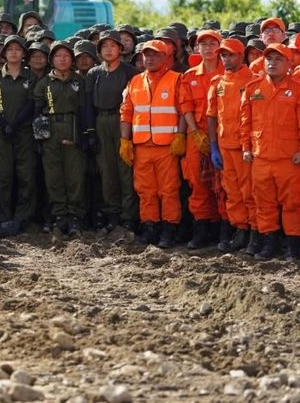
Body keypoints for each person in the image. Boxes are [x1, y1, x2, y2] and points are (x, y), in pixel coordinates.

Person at [119, 40, 187, 248]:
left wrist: (180, 136)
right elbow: (126, 112)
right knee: (145, 190)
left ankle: (169, 229)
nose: (149, 59)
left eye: (155, 55)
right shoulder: (135, 81)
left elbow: (184, 110)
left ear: (166, 58)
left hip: (167, 147)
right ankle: (150, 228)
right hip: (141, 146)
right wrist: (125, 140)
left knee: (168, 190)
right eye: (146, 55)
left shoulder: (177, 79)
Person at [239, 43, 300, 261]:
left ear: (288, 63)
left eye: (278, 59)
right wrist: (246, 148)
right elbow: (245, 122)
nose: (272, 63)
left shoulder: (297, 87)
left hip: (289, 159)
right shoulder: (253, 88)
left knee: (293, 204)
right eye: (269, 59)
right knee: (264, 204)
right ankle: (268, 245)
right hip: (260, 157)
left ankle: (294, 248)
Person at [85, 30, 140, 231]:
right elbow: (88, 104)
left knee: (125, 169)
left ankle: (129, 216)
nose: (109, 50)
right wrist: (90, 132)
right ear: (99, 50)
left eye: (113, 46)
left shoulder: (130, 72)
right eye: (104, 46)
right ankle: (113, 214)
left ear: (120, 49)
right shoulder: (94, 73)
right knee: (107, 171)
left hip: (123, 121)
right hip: (101, 121)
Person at [33, 41, 90, 234]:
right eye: (58, 56)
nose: (63, 59)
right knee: (53, 175)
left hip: (72, 126)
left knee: (74, 175)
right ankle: (59, 215)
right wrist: (39, 139)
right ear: (52, 60)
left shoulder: (78, 81)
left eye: (66, 55)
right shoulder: (44, 83)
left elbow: (84, 109)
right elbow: (37, 110)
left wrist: (83, 135)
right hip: (50, 129)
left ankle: (75, 216)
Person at [206, 38, 255, 253]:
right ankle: (241, 230)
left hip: (246, 148)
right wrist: (214, 146)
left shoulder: (253, 81)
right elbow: (211, 116)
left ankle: (256, 232)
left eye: (230, 55)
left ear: (241, 56)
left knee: (250, 192)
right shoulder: (217, 84)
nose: (226, 59)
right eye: (223, 55)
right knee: (232, 192)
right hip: (225, 146)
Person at [0, 35, 36, 236]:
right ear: (3, 53)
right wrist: (4, 124)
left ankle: (22, 219)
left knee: (26, 175)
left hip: (23, 132)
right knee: (3, 176)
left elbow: (32, 104)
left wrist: (14, 124)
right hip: (1, 132)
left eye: (18, 49)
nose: (14, 52)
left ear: (24, 53)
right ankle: (4, 218)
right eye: (10, 49)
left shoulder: (31, 76)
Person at [179, 29, 224, 248]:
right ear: (197, 48)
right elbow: (185, 106)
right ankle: (201, 230)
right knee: (197, 183)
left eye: (212, 44)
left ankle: (222, 231)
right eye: (202, 44)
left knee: (224, 186)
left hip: (224, 137)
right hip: (196, 136)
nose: (207, 48)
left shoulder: (228, 73)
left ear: (220, 47)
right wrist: (194, 132)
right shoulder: (189, 76)